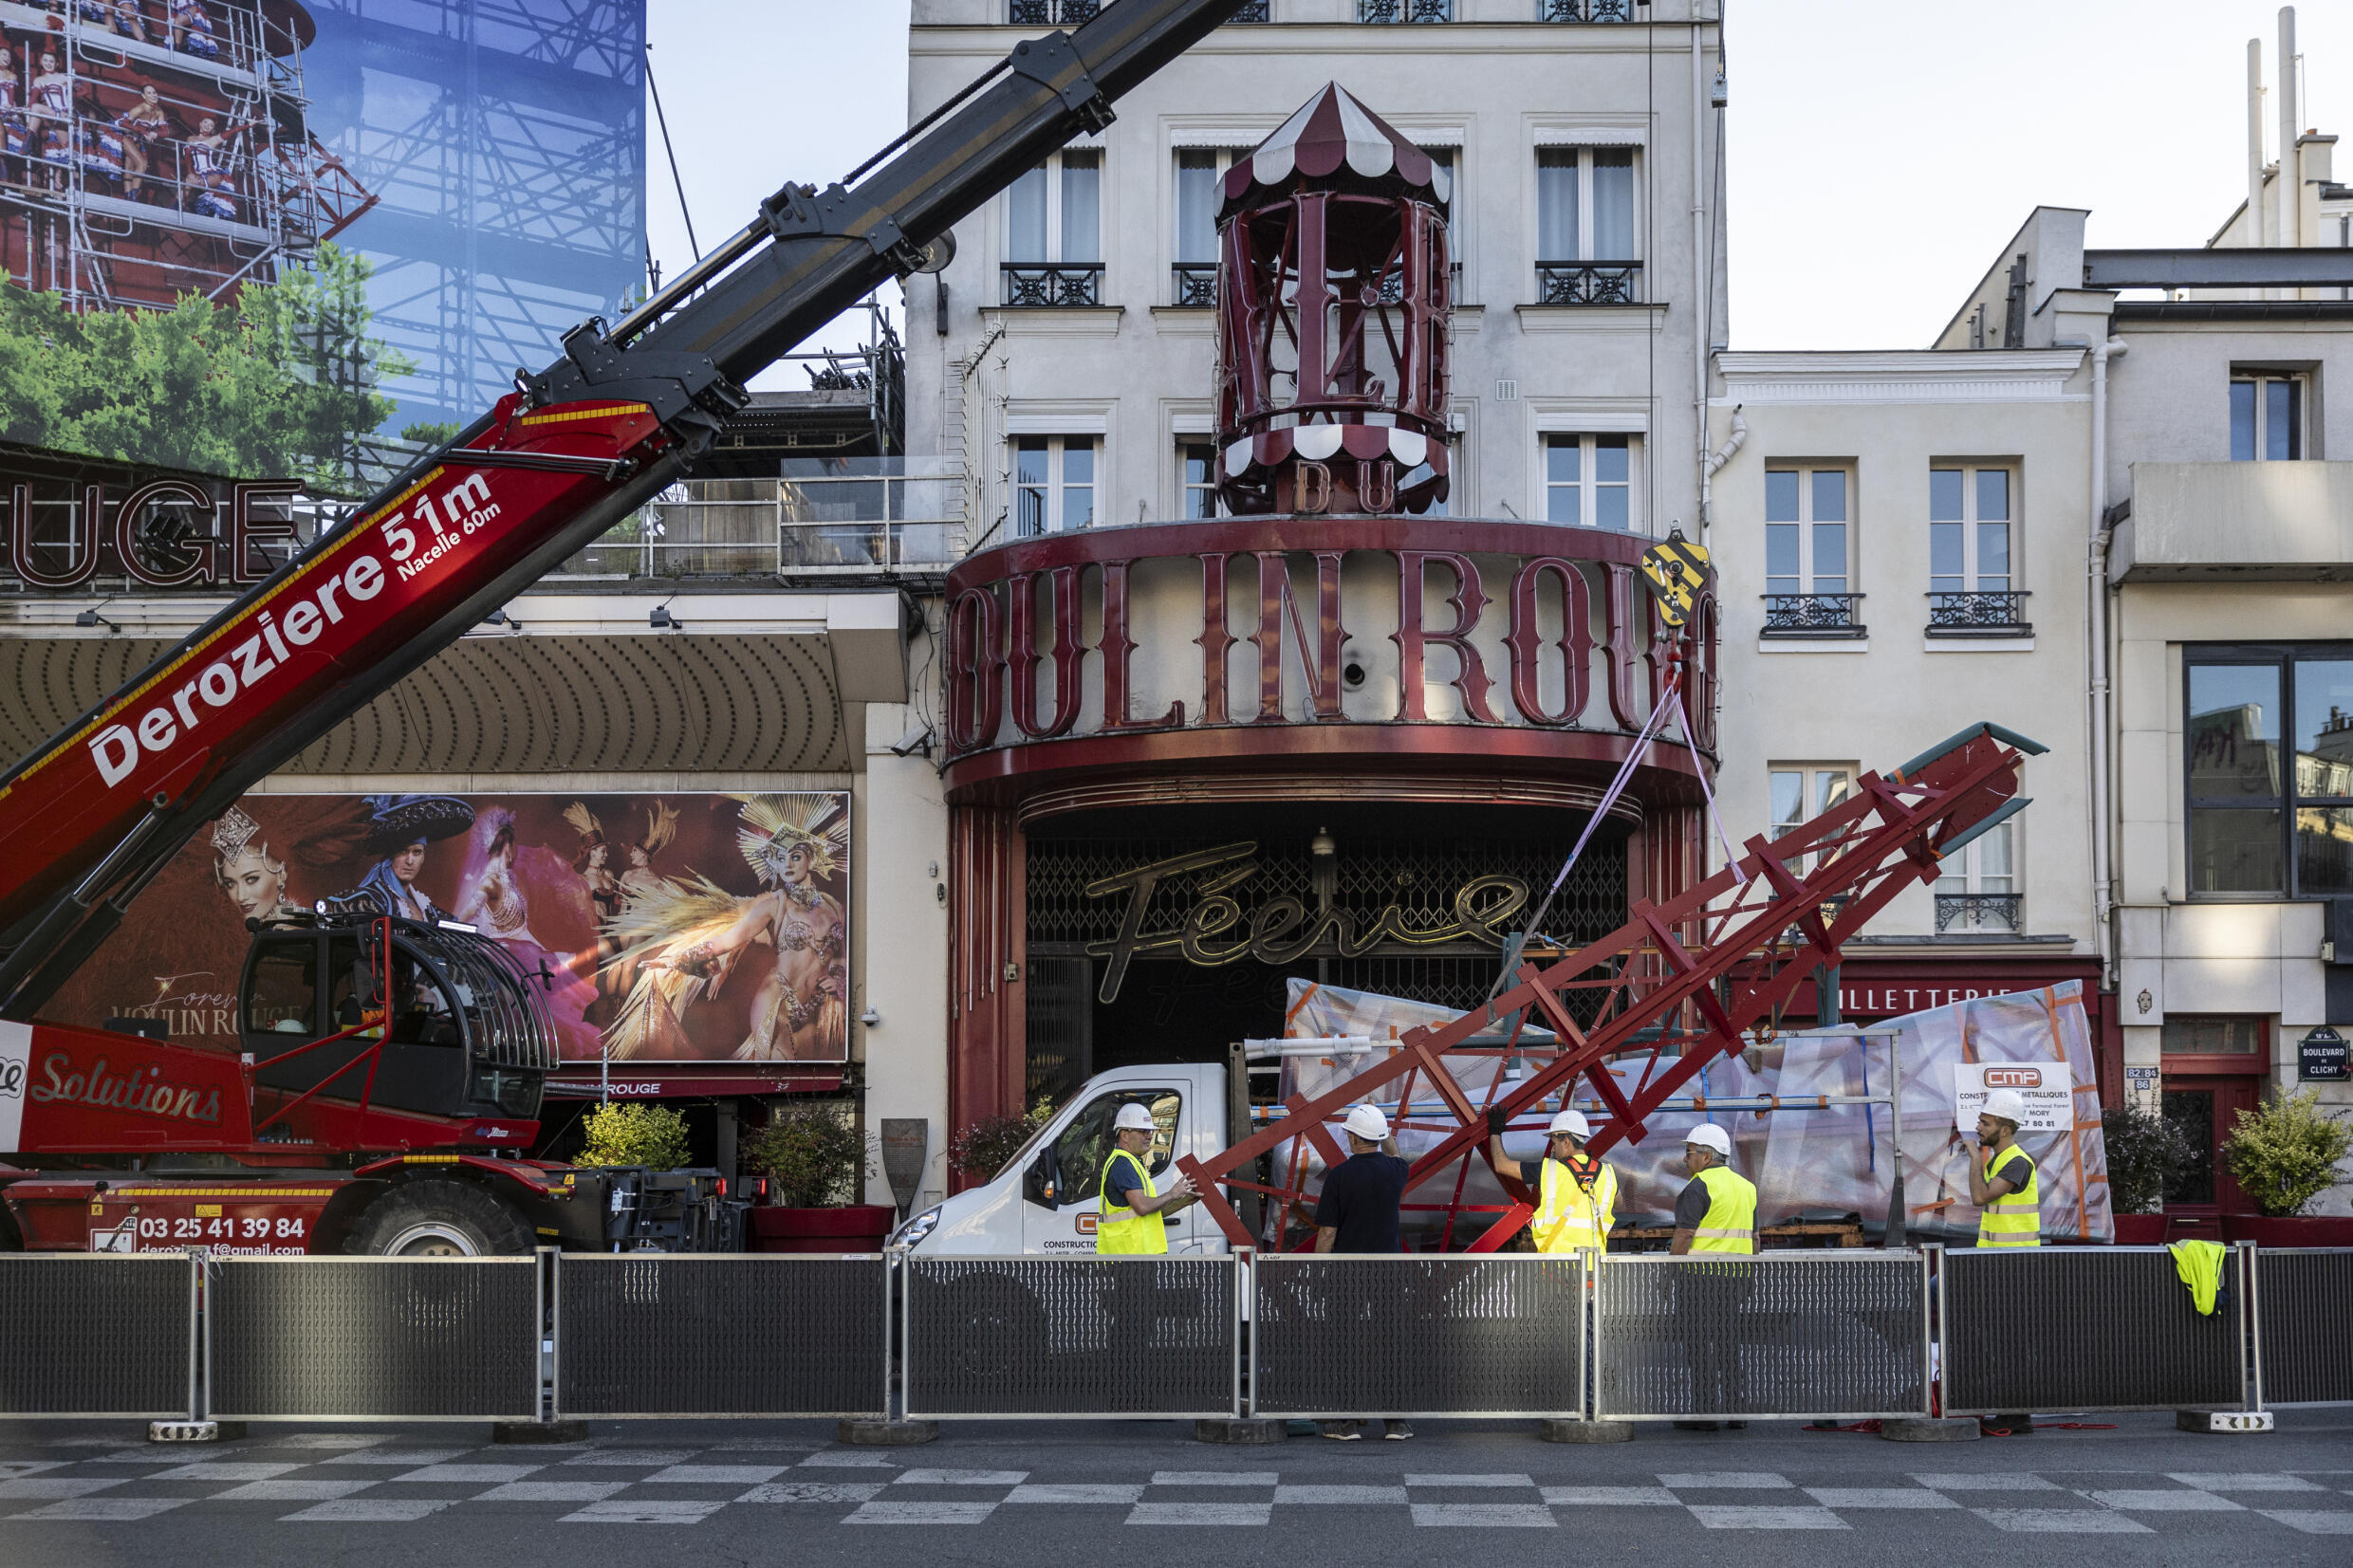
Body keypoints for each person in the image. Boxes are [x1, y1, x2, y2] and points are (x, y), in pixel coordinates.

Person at [1313, 1102, 1413, 1441]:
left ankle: (1347, 1422)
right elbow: (1396, 1154)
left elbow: (1327, 1232)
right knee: (1389, 1343)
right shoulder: (1396, 1172)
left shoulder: (1339, 1177)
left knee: (1345, 1343)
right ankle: (1396, 1422)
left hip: (1347, 1273)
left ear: (1353, 1138)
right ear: (1379, 1137)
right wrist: (1385, 1133)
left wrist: (1318, 1271)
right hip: (1388, 1272)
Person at [1669, 1121, 1756, 1431]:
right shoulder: (1747, 1188)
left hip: (1699, 1280)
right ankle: (1736, 1411)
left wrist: (1671, 1275)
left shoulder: (1697, 1187)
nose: (1685, 1159)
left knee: (1698, 1346)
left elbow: (1684, 1236)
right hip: (1735, 1280)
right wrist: (1749, 1277)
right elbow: (1754, 1239)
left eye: (1689, 1152)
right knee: (1729, 1345)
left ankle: (1703, 1414)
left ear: (1707, 1157)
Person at [1966, 1086, 2040, 1436]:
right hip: (1998, 1263)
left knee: (2009, 1340)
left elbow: (1980, 1197)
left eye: (1986, 1122)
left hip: (2014, 1266)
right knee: (1999, 1337)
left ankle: (2016, 1412)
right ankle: (2004, 1406)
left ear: (2005, 1129)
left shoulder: (2016, 1162)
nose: (1979, 1127)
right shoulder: (2000, 1160)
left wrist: (1972, 1160)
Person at [323, 794, 474, 924]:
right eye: (403, 851)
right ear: (390, 856)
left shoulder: (430, 911)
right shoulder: (366, 901)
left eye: (417, 852)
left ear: (423, 857)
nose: (410, 861)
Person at [1487, 1105, 1616, 1255]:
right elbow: (1618, 1202)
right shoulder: (1607, 1174)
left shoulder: (1549, 1170)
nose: (1553, 1150)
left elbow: (1501, 1165)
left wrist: (1495, 1132)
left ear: (1566, 1142)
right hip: (1595, 1270)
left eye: (1554, 1143)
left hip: (1558, 1268)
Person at [1096, 1100, 1196, 1253]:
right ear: (1124, 1135)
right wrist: (1172, 1194)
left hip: (1133, 1259)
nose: (1149, 1136)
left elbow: (1152, 1213)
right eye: (1143, 1131)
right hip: (1128, 1259)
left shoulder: (1131, 1163)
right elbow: (1142, 1207)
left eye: (1150, 1131)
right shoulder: (1123, 1165)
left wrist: (1182, 1202)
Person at [210, 803, 305, 928]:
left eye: (251, 879)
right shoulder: (224, 935)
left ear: (281, 875)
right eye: (230, 884)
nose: (241, 896)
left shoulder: (300, 931)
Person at [117, 83, 169, 201]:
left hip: (138, 141)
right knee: (142, 164)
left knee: (129, 167)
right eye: (149, 93)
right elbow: (123, 123)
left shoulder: (159, 111)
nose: (153, 95)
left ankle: (129, 195)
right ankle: (134, 196)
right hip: (126, 136)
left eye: (154, 92)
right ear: (143, 96)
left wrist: (155, 134)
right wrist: (144, 132)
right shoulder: (140, 108)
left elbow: (166, 132)